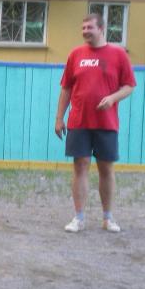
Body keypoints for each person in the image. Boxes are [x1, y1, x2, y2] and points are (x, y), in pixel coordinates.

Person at [54, 12, 136, 233]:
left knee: (106, 169)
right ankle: (79, 218)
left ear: (101, 29)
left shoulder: (118, 54)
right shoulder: (75, 55)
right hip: (79, 121)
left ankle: (107, 218)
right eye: (83, 28)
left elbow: (129, 85)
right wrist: (59, 118)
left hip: (106, 123)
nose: (85, 31)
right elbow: (66, 88)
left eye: (89, 27)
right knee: (80, 166)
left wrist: (112, 99)